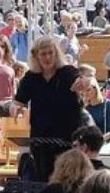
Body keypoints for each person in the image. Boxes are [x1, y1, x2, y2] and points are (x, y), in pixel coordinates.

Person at [13, 36, 92, 181]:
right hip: (41, 140)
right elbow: (19, 100)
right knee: (43, 180)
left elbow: (85, 81)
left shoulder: (67, 72)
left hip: (68, 140)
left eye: (51, 53)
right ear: (36, 56)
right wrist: (16, 107)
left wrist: (84, 83)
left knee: (67, 180)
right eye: (43, 54)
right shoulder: (31, 77)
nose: (48, 57)